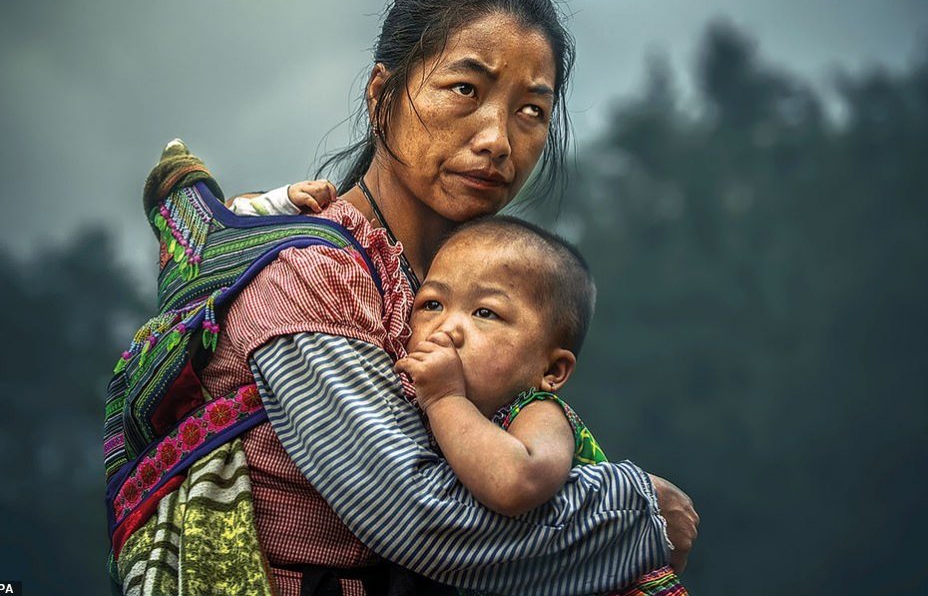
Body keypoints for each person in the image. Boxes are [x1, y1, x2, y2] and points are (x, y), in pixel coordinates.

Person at [119, 0, 699, 596]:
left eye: (531, 110)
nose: (497, 139)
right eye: (465, 89)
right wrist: (634, 512)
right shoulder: (308, 277)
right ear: (381, 95)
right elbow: (422, 516)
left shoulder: (450, 295)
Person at [235, 186, 692, 596]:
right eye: (431, 304)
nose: (448, 327)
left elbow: (518, 481)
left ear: (551, 370)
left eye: (486, 313)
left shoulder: (537, 412)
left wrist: (444, 399)